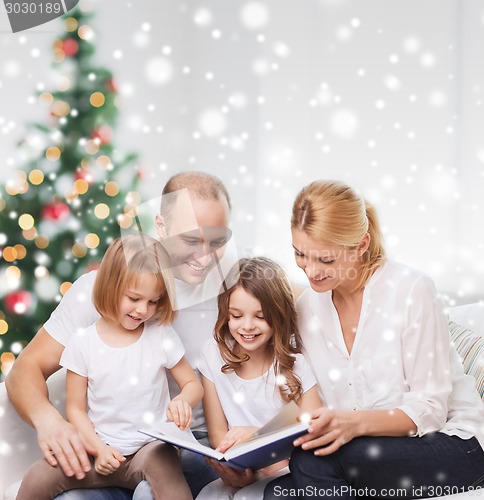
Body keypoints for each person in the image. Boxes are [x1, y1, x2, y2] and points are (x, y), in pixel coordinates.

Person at [6, 171, 231, 499]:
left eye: (218, 241)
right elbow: (25, 369)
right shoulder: (99, 291)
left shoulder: (233, 289)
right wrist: (48, 421)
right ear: (162, 225)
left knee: (151, 488)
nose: (206, 256)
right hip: (105, 447)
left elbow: (289, 299)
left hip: (184, 445)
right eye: (192, 240)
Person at [264, 180, 484, 499]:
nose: (310, 271)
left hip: (454, 444)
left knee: (311, 462)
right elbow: (306, 397)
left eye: (325, 259)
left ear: (361, 244)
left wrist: (353, 424)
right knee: (278, 493)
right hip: (369, 451)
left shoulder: (411, 291)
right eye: (300, 254)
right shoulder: (307, 309)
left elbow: (431, 409)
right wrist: (256, 449)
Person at [17, 234, 203, 499]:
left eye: (153, 301)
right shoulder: (83, 343)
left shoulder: (160, 334)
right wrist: (98, 449)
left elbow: (192, 384)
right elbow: (75, 410)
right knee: (39, 476)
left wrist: (184, 400)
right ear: (110, 287)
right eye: (134, 298)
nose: (143, 310)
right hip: (99, 451)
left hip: (149, 449)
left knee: (165, 464)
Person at [197, 257, 321, 499]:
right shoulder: (213, 354)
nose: (247, 326)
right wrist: (235, 467)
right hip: (238, 469)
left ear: (278, 315)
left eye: (260, 316)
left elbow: (313, 433)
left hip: (285, 473)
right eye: (236, 315)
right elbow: (217, 435)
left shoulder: (297, 366)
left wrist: (257, 438)